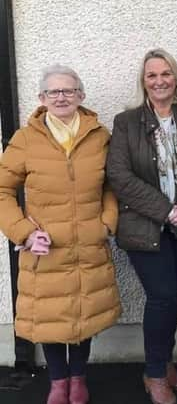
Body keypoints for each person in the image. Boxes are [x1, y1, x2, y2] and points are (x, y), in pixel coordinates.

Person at [0, 65, 121, 404]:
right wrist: (23, 232)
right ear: (41, 99)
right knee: (51, 317)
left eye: (68, 91)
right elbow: (2, 191)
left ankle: (79, 378)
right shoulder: (24, 139)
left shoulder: (100, 136)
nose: (61, 97)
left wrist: (107, 223)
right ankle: (57, 381)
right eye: (53, 92)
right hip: (44, 248)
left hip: (89, 244)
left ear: (81, 95)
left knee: (84, 314)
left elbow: (112, 186)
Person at [107, 49, 177, 404]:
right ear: (144, 81)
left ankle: (163, 361)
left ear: (176, 78)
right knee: (163, 295)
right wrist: (167, 210)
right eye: (152, 75)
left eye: (165, 73)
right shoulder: (126, 122)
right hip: (144, 227)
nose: (159, 81)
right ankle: (154, 373)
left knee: (173, 296)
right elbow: (119, 176)